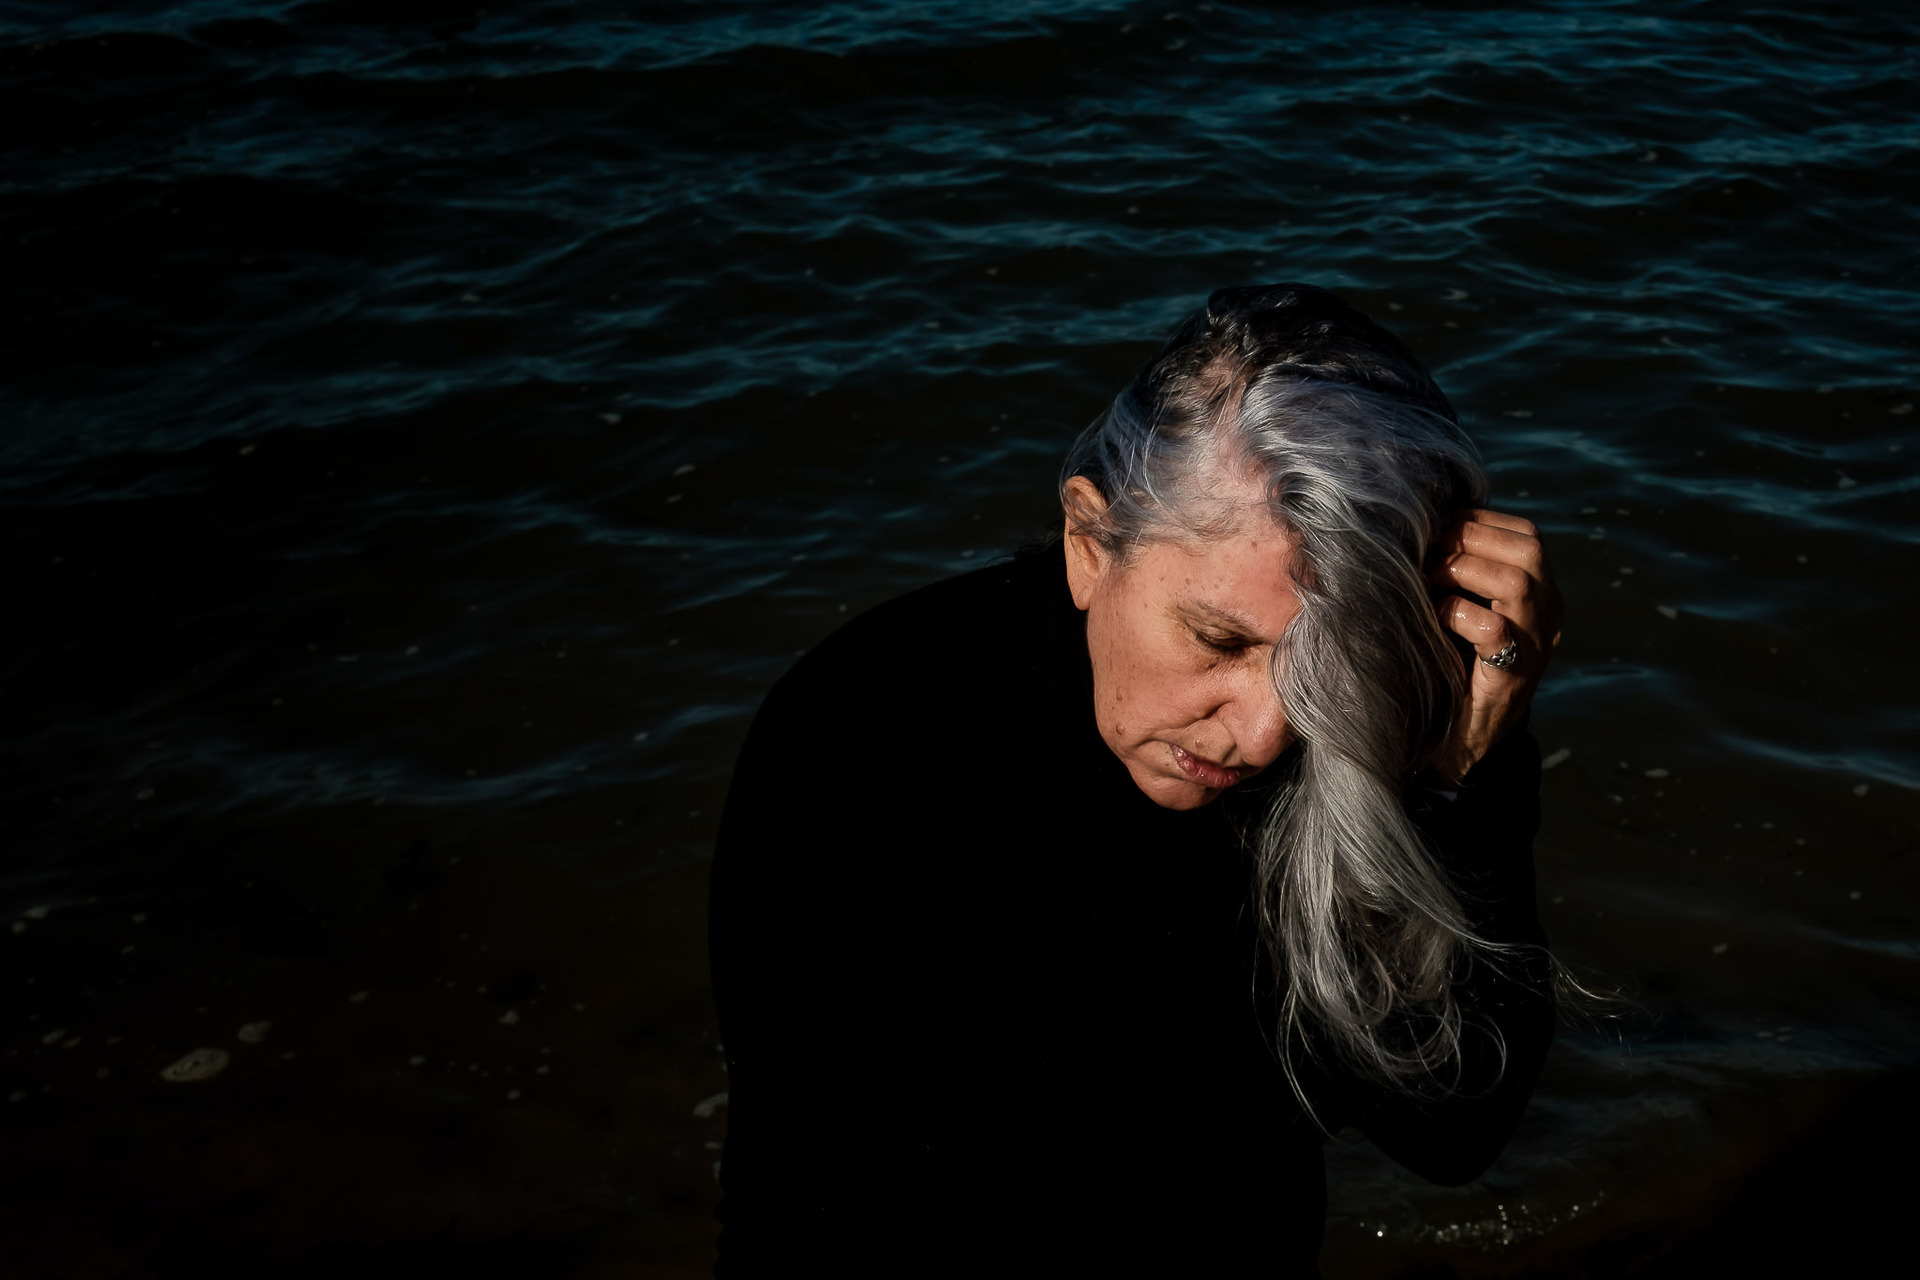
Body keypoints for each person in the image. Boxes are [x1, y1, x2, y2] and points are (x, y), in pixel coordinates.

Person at [708, 283, 1564, 1276]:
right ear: (1088, 543)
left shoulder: (1356, 746)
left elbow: (1451, 1129)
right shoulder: (867, 742)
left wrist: (1464, 778)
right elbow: (814, 1188)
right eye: (1217, 639)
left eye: (1323, 672)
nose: (1262, 734)